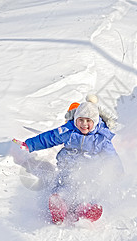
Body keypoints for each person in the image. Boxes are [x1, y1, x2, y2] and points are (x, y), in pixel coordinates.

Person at [13, 94, 122, 224]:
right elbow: (49, 137)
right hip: (68, 168)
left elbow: (111, 157)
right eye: (80, 120)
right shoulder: (68, 131)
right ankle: (59, 204)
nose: (84, 124)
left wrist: (117, 172)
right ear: (75, 119)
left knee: (88, 190)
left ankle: (85, 209)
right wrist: (30, 144)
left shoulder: (101, 139)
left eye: (88, 121)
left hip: (88, 173)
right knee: (63, 186)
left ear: (95, 122)